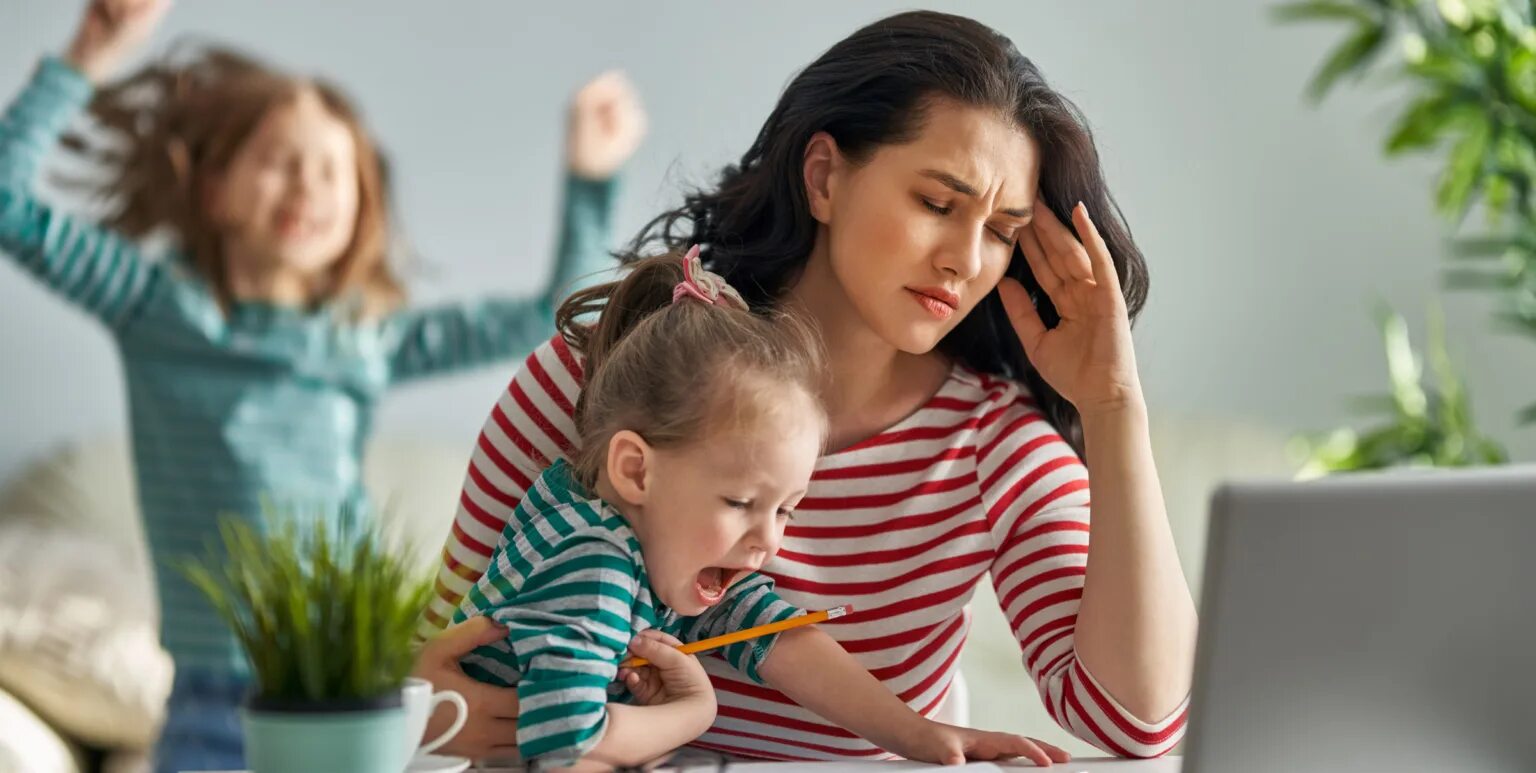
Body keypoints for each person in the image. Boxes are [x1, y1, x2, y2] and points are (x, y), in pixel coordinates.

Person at [416, 8, 1197, 762]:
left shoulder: (993, 446)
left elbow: (1136, 724)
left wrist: (1113, 407)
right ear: (823, 178)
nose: (966, 258)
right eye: (937, 203)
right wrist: (430, 714)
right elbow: (429, 649)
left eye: (1001, 231)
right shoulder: (603, 374)